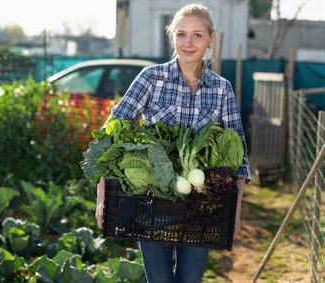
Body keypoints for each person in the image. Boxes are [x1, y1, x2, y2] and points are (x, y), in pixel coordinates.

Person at [95, 3, 251, 283]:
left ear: (211, 39)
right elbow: (111, 134)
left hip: (200, 207)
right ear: (172, 37)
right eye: (181, 34)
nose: (188, 43)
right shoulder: (151, 78)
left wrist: (235, 213)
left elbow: (239, 159)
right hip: (150, 204)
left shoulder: (221, 89)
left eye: (197, 35)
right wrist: (101, 198)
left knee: (190, 280)